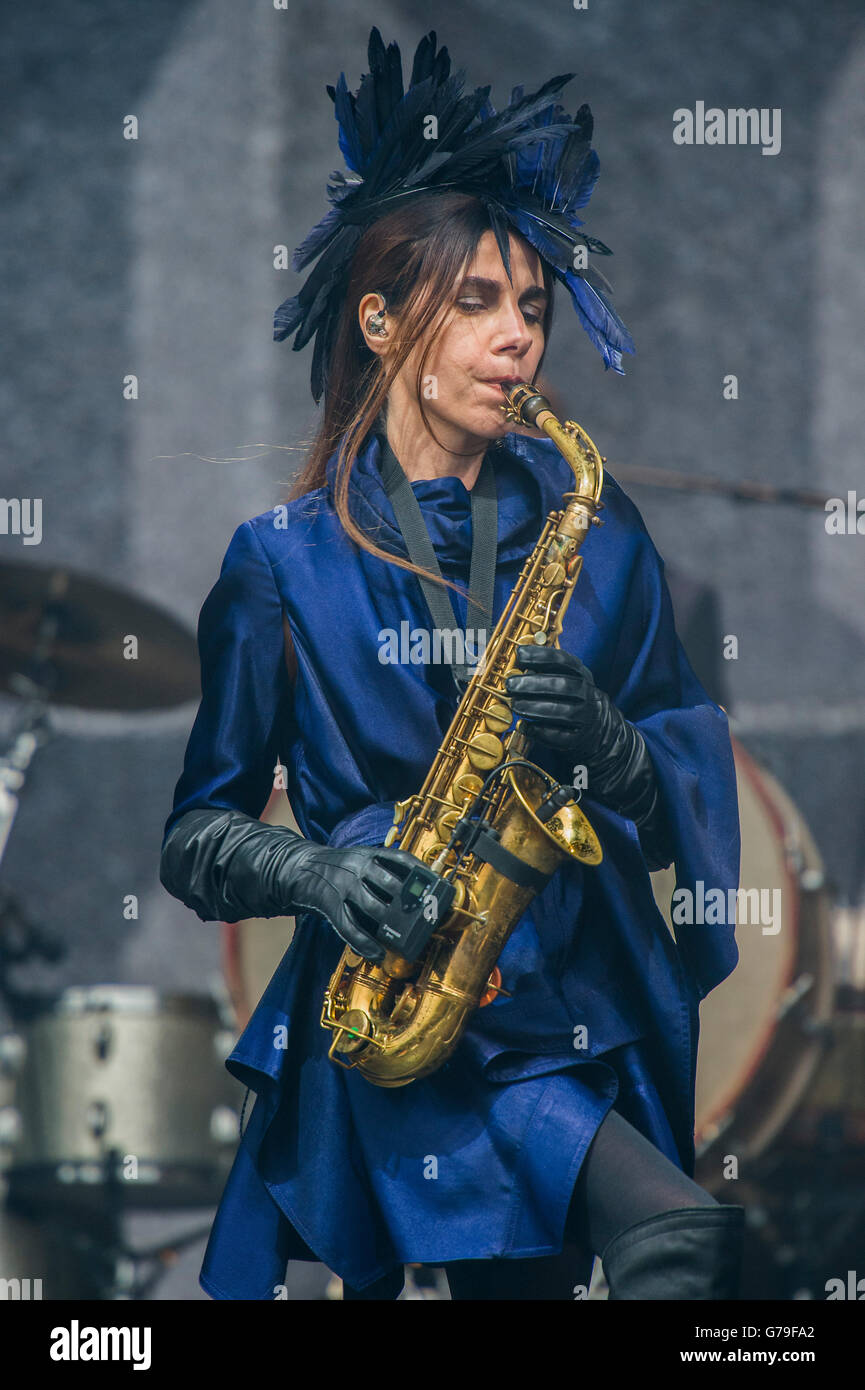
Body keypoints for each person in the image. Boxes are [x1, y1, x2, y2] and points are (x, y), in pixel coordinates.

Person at [159, 28, 745, 1301]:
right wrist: (313, 869)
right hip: (406, 993)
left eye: (531, 307)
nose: (517, 339)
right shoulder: (280, 562)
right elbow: (195, 835)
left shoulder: (599, 529)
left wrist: (620, 748)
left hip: (568, 985)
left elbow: (676, 783)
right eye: (475, 302)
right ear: (378, 320)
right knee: (678, 1242)